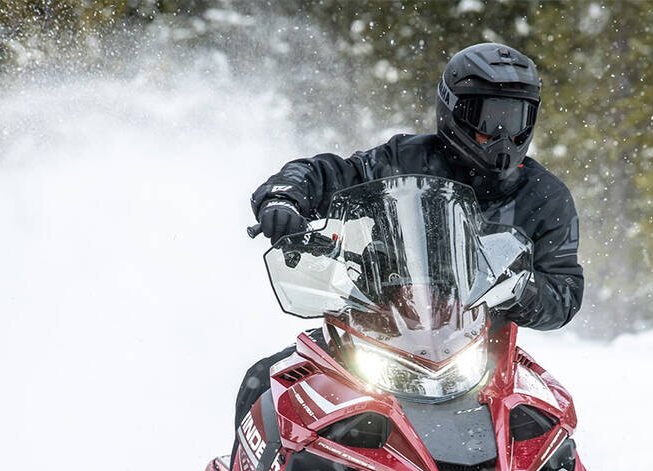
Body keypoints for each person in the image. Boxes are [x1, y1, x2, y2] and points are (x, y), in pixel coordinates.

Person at [236, 42, 582, 430]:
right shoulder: (403, 160)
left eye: (514, 119)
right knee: (265, 382)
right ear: (454, 110)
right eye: (488, 119)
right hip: (375, 337)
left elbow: (565, 291)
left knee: (547, 425)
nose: (502, 135)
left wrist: (521, 288)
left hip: (481, 356)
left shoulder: (545, 197)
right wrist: (284, 198)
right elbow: (327, 173)